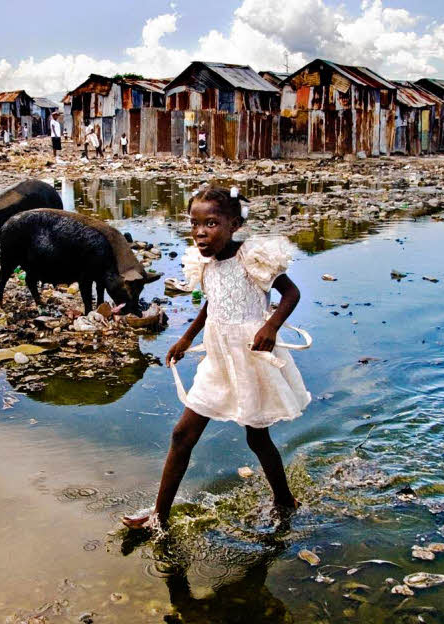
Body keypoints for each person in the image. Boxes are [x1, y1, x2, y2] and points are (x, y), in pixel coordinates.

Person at [123, 185, 310, 530]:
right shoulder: (205, 265)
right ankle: (158, 517)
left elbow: (291, 293)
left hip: (251, 356)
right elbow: (212, 303)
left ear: (234, 224)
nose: (199, 232)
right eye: (194, 224)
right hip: (217, 359)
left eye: (210, 224)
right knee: (182, 435)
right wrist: (186, 337)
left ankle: (285, 500)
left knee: (257, 437)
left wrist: (270, 327)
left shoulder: (252, 258)